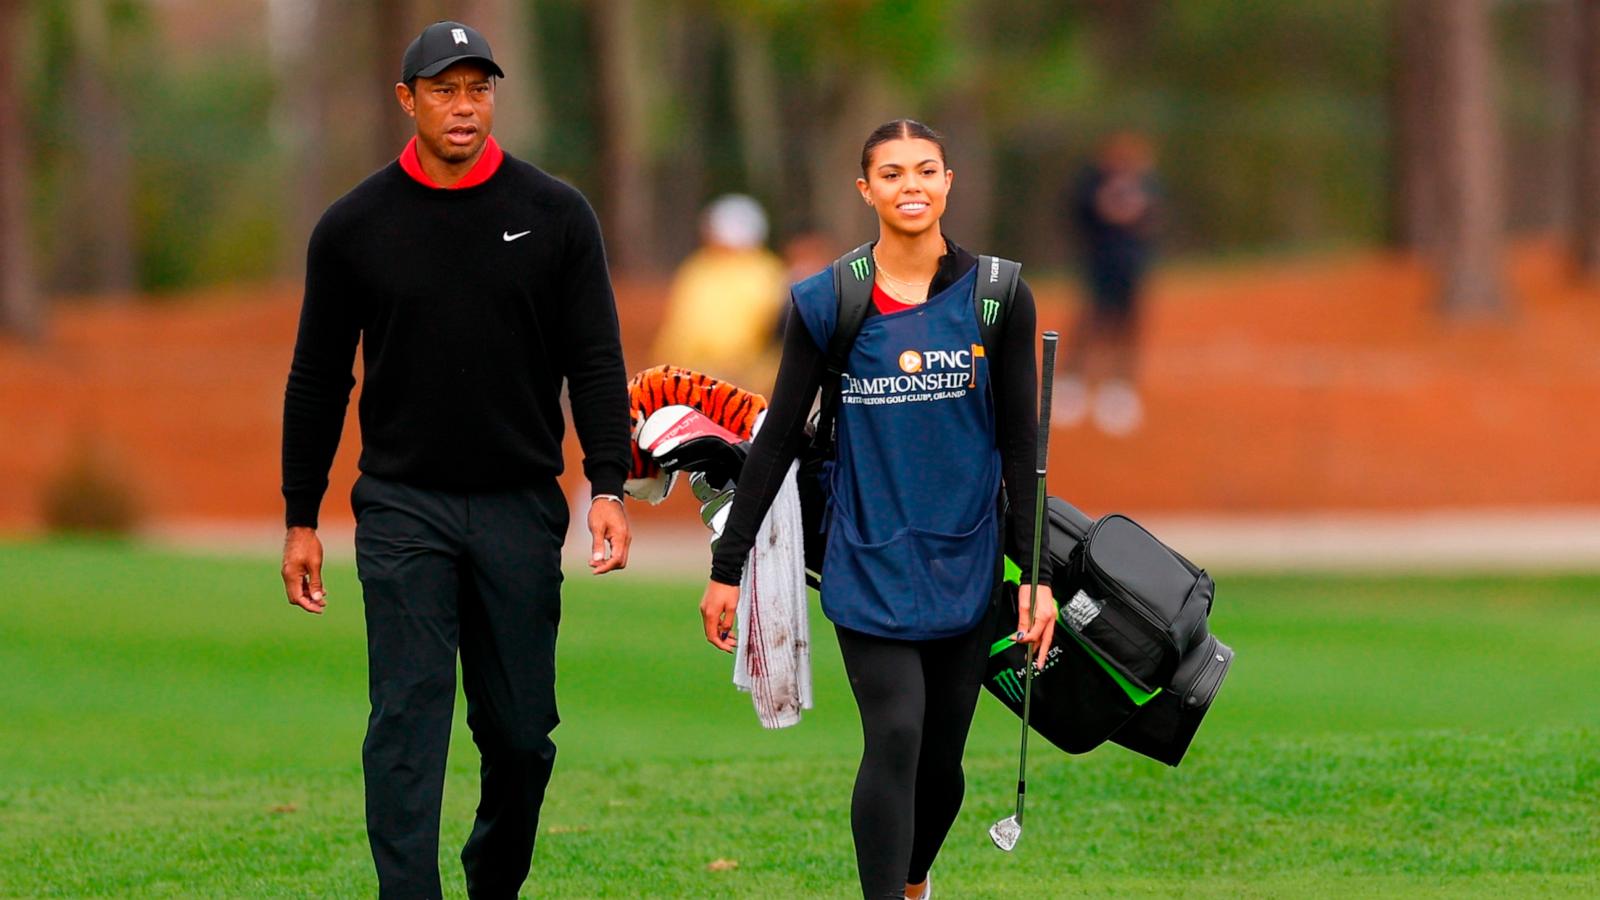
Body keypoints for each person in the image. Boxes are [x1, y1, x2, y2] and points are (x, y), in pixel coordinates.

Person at [277, 20, 631, 899]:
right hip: (402, 504)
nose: (463, 106)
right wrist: (299, 513)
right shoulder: (354, 227)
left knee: (519, 734)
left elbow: (594, 360)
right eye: (444, 89)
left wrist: (610, 485)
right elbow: (319, 380)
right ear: (408, 100)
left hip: (519, 502)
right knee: (407, 718)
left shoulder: (555, 215)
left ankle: (491, 879)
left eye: (478, 88)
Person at [696, 119, 1057, 900]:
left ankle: (914, 880)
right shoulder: (829, 301)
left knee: (943, 767)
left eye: (926, 170)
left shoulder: (999, 297)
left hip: (966, 563)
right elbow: (778, 440)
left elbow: (1023, 449)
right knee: (894, 735)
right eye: (891, 174)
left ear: (949, 181)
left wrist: (1033, 577)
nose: (911, 186)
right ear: (866, 191)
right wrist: (728, 570)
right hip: (867, 561)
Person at [1056, 131, 1160, 435]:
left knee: (1126, 324)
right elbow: (1078, 216)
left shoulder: (1147, 184)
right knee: (1091, 320)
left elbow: (1152, 219)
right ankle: (1072, 382)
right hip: (1099, 262)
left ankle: (1119, 387)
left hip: (1131, 265)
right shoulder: (1089, 184)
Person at [651, 194, 788, 388]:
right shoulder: (697, 268)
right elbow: (680, 329)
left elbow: (772, 332)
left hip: (749, 380)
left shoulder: (768, 273)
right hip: (693, 375)